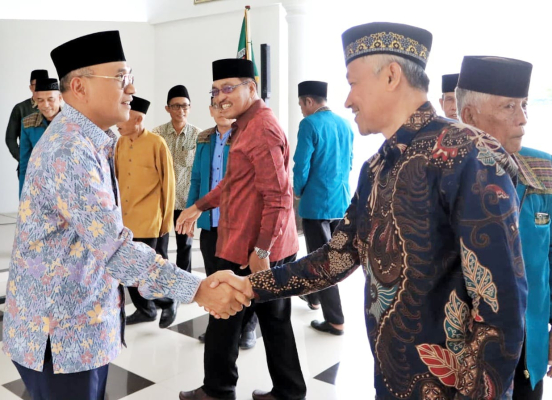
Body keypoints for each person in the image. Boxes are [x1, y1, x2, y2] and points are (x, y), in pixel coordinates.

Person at [212, 22, 528, 399]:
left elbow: (501, 312)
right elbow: (336, 258)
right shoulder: (376, 168)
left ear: (391, 76)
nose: (348, 100)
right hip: (391, 380)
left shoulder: (468, 156)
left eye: (353, 83)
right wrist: (251, 285)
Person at [2, 31, 250, 400]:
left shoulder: (89, 140)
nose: (131, 88)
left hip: (77, 332)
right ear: (79, 86)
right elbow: (115, 250)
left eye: (129, 75)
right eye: (120, 77)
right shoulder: (70, 149)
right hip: (61, 338)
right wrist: (197, 289)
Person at [177, 59, 306, 400]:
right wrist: (199, 205)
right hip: (253, 244)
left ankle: (218, 390)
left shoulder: (261, 129)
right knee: (269, 321)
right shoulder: (245, 126)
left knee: (225, 316)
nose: (220, 97)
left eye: (228, 88)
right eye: (215, 91)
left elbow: (279, 197)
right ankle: (288, 391)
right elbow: (234, 181)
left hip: (252, 249)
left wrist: (262, 250)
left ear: (251, 87)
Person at [456, 55, 552, 400]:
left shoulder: (543, 170)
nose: (523, 118)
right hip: (462, 358)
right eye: (509, 106)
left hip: (527, 346)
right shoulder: (438, 177)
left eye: (524, 105)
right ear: (470, 116)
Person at [187, 98, 258, 348]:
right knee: (214, 278)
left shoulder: (244, 137)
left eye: (225, 106)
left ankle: (248, 327)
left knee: (242, 278)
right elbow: (196, 178)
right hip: (210, 222)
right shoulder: (204, 139)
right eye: (216, 106)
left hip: (238, 224)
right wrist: (191, 211)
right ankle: (218, 328)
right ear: (210, 111)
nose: (221, 111)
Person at [293, 80, 354, 335]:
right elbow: (349, 163)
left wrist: (297, 191)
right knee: (329, 257)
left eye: (301, 105)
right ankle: (314, 298)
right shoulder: (345, 124)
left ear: (308, 101)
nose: (301, 110)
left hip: (317, 204)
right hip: (340, 202)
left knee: (323, 262)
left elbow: (301, 165)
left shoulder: (309, 124)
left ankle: (335, 319)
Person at [115, 95, 180, 329]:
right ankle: (146, 310)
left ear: (138, 119)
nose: (118, 123)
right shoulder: (120, 143)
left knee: (149, 270)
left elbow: (168, 185)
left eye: (123, 118)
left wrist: (166, 222)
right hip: (125, 220)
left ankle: (168, 300)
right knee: (127, 270)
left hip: (149, 220)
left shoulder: (156, 143)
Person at [152, 85, 201, 272]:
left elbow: (200, 172)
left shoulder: (198, 136)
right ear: (167, 108)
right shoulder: (157, 135)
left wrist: (197, 202)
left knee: (185, 246)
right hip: (162, 201)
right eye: (176, 106)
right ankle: (163, 281)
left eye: (185, 106)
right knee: (160, 246)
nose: (181, 110)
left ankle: (185, 282)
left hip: (186, 201)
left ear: (190, 107)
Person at [19, 78, 62, 197]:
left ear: (60, 98)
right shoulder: (28, 123)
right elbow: (25, 164)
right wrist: (23, 198)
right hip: (40, 189)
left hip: (66, 187)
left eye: (50, 99)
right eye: (40, 100)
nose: (46, 105)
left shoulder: (72, 122)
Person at [5, 69, 49, 174]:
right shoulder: (20, 108)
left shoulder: (55, 108)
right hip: (27, 167)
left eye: (43, 84)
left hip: (52, 166)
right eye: (36, 85)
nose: (40, 88)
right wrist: (22, 158)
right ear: (31, 87)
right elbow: (10, 138)